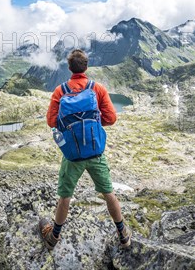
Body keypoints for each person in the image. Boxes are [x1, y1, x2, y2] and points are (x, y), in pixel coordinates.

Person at [38, 49, 132, 250]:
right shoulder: (97, 89)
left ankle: (53, 237)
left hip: (72, 155)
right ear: (86, 67)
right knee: (108, 193)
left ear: (69, 68)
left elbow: (51, 121)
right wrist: (93, 125)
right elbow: (111, 118)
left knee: (65, 196)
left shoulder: (60, 91)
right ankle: (123, 234)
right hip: (95, 152)